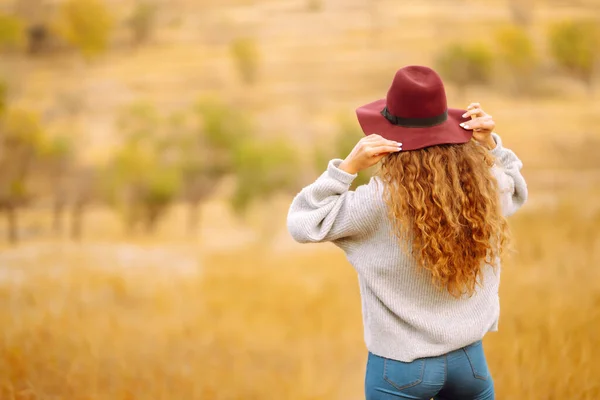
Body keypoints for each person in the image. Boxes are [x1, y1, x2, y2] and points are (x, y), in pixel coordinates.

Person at [286, 65, 527, 400]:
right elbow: (516, 188)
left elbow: (302, 222)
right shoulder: (479, 188)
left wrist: (347, 168)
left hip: (401, 368)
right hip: (469, 362)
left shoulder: (378, 201)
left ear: (388, 137)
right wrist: (492, 144)